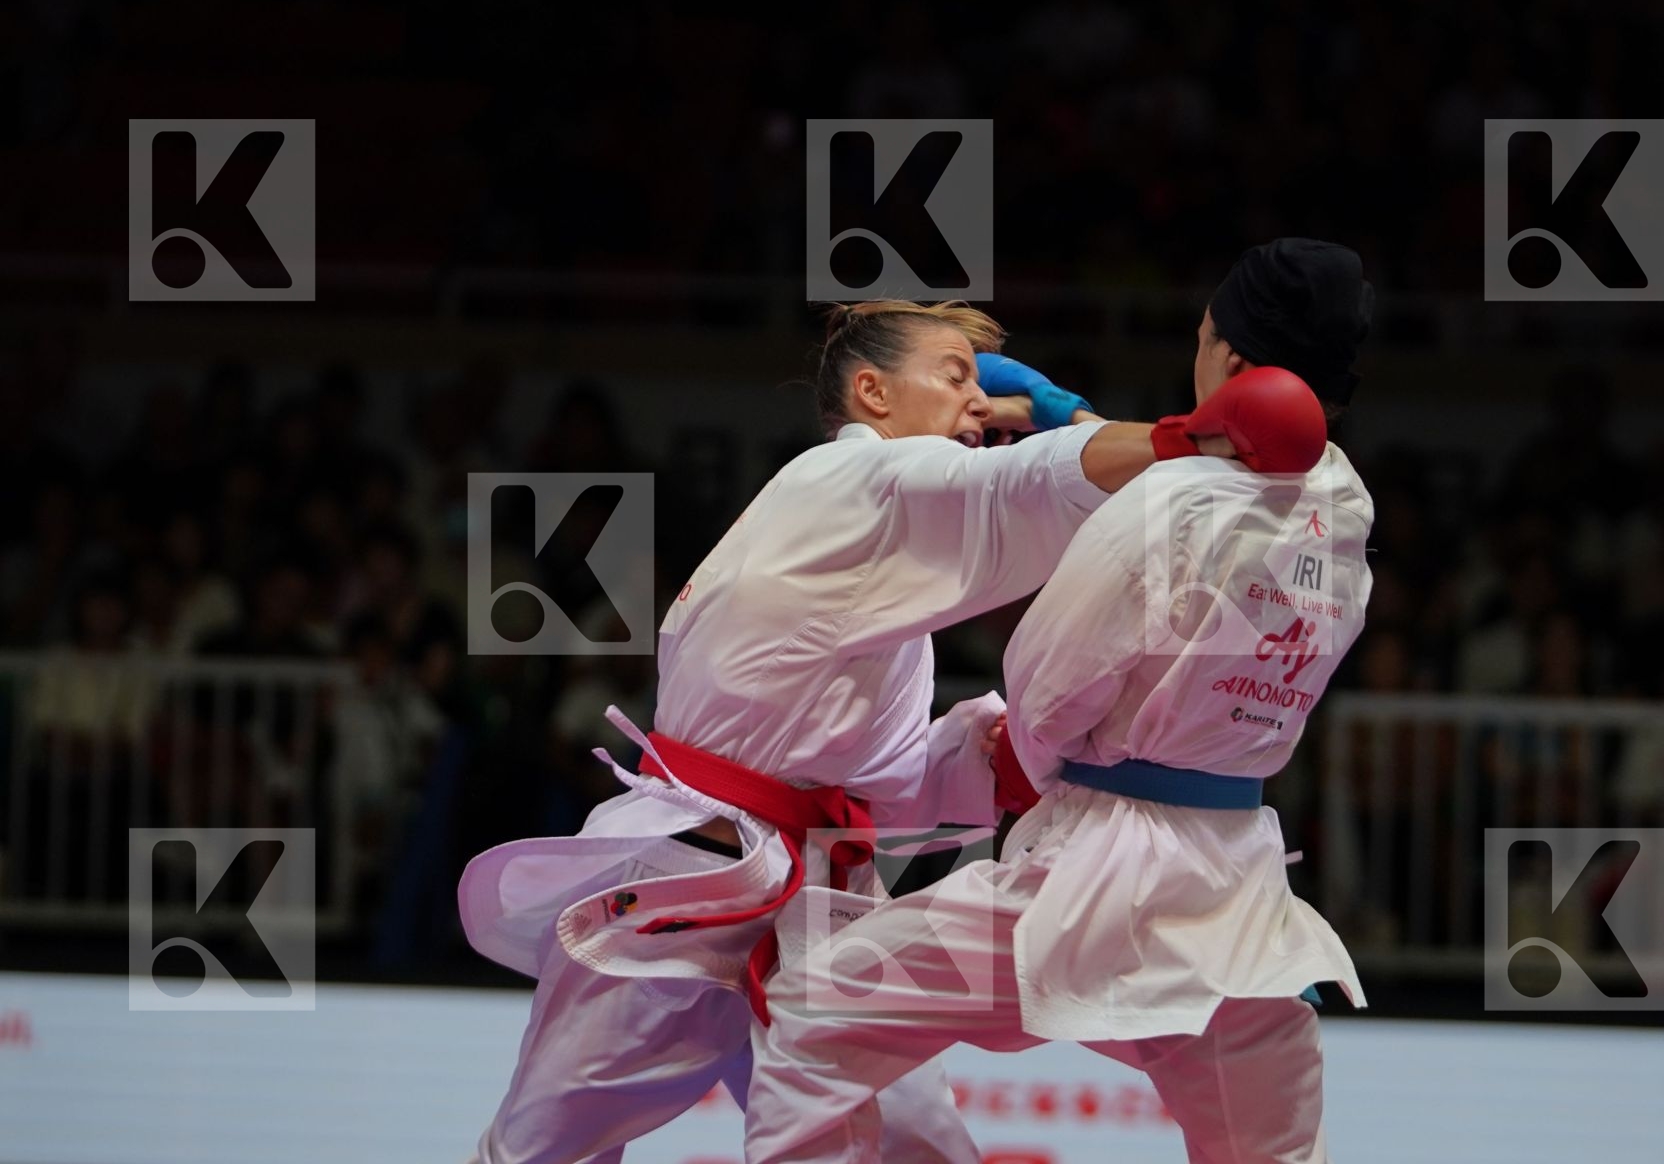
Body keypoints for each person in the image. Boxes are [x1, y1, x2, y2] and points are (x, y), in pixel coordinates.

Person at [457, 298, 1261, 1162]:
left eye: (977, 383)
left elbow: (873, 781)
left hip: (817, 904)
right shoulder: (846, 482)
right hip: (692, 878)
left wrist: (985, 752)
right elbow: (1029, 482)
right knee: (542, 1149)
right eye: (954, 378)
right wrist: (1175, 435)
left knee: (916, 1147)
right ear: (873, 394)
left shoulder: (886, 568)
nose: (979, 405)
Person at [744, 239, 1379, 1164]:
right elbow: (1228, 486)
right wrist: (1072, 419)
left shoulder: (1162, 505)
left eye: (1206, 339)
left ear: (1234, 363)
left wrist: (1019, 764)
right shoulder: (1347, 503)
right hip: (1236, 891)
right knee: (1269, 1149)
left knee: (817, 1008)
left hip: (1095, 880)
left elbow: (1047, 687)